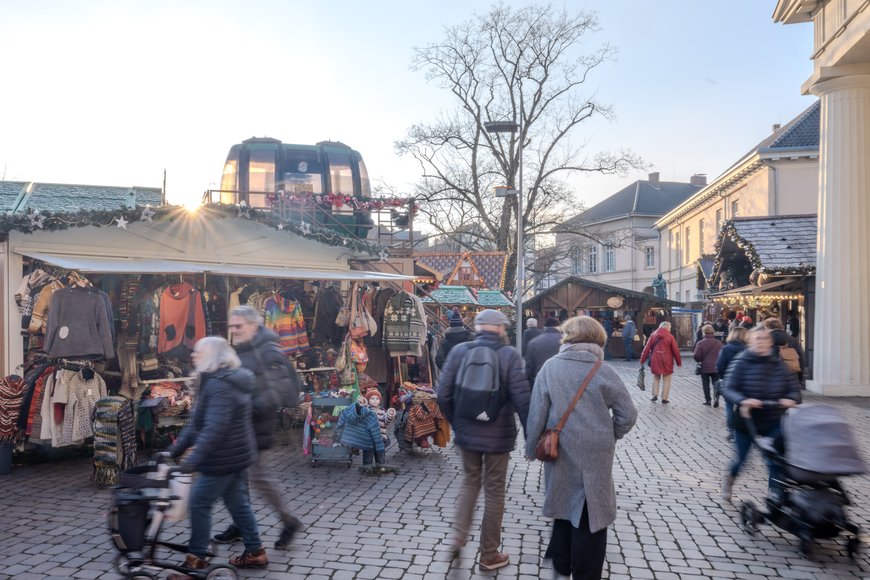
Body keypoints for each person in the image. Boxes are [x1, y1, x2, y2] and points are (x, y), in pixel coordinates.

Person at [524, 316, 637, 580]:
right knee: (592, 514)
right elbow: (628, 415)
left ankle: (561, 570)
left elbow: (537, 413)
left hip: (560, 449)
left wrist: (531, 449)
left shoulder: (551, 368)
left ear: (568, 337)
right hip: (596, 453)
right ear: (599, 339)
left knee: (563, 508)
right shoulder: (604, 370)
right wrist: (610, 435)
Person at [436, 309, 531, 571]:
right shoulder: (509, 355)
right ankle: (489, 554)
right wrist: (532, 439)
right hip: (498, 437)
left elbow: (442, 393)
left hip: (467, 435)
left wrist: (458, 424)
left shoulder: (459, 352)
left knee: (469, 484)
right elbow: (523, 401)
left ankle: (458, 538)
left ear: (477, 327)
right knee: (495, 491)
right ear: (501, 329)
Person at [167, 337, 267, 576]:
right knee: (238, 504)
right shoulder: (215, 380)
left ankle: (196, 560)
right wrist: (173, 451)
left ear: (212, 355)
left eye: (199, 351)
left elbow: (214, 429)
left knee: (199, 503)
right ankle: (255, 552)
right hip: (234, 455)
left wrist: (192, 461)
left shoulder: (220, 385)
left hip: (224, 458)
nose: (193, 355)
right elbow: (196, 425)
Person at [212, 306, 304, 550]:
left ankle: (288, 520)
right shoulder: (243, 349)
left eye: (238, 326)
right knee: (239, 477)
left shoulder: (269, 351)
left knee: (258, 478)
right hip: (240, 426)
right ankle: (241, 523)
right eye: (231, 326)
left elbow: (279, 390)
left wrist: (246, 406)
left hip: (256, 427)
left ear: (253, 325)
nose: (233, 331)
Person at [720, 328, 800, 502]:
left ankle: (775, 496)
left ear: (770, 342)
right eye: (757, 339)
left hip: (774, 420)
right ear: (750, 341)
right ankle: (730, 479)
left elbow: (794, 390)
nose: (761, 342)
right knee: (741, 459)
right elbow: (728, 388)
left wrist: (791, 399)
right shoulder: (741, 362)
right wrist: (743, 400)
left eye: (764, 339)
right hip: (748, 421)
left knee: (775, 461)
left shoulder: (780, 365)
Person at [715, 327, 748, 440]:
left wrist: (724, 376)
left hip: (729, 381)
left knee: (729, 406)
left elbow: (720, 365)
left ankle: (731, 431)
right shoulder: (748, 349)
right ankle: (745, 431)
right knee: (743, 405)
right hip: (745, 382)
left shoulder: (726, 349)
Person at [639, 321, 681, 404]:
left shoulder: (653, 336)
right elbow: (676, 351)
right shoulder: (670, 337)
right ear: (668, 328)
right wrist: (678, 362)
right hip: (667, 361)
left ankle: (654, 395)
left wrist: (642, 360)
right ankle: (664, 398)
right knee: (667, 379)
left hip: (656, 359)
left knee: (656, 378)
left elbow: (646, 349)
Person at [693, 324, 724, 406]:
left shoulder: (700, 343)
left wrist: (699, 360)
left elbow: (696, 356)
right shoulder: (719, 343)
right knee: (716, 383)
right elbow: (722, 355)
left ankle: (708, 400)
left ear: (703, 332)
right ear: (713, 332)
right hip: (716, 367)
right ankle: (716, 397)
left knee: (705, 384)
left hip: (705, 367)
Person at [525, 317, 562, 384]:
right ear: (558, 326)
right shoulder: (565, 341)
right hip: (560, 381)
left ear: (545, 327)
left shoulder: (534, 342)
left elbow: (529, 368)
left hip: (540, 381)